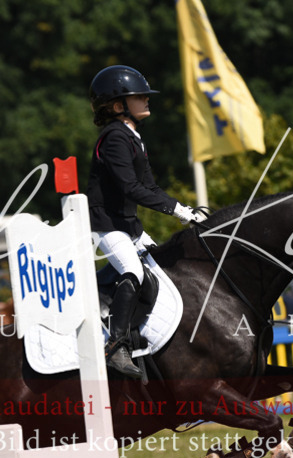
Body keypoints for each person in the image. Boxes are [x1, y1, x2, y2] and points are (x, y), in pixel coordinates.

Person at [86, 64, 205, 378]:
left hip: (128, 224)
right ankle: (116, 346)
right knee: (133, 271)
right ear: (117, 106)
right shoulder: (114, 137)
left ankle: (141, 331)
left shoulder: (133, 136)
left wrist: (186, 210)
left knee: (163, 267)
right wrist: (177, 210)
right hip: (107, 225)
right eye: (139, 96)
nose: (146, 100)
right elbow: (130, 188)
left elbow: (150, 187)